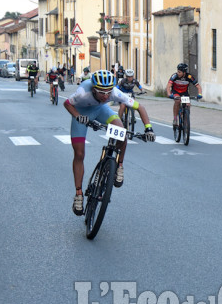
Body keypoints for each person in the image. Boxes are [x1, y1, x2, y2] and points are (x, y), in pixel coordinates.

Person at [64, 70, 156, 216]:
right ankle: (79, 195)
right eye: (101, 92)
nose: (106, 95)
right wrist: (78, 117)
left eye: (108, 92)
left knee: (122, 133)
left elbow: (140, 107)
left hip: (101, 110)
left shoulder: (114, 92)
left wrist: (148, 129)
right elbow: (67, 104)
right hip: (82, 113)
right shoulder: (82, 93)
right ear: (94, 89)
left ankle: (119, 165)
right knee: (79, 154)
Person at [166, 63, 202, 130]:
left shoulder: (189, 77)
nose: (178, 73)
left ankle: (185, 117)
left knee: (188, 105)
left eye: (179, 72)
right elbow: (168, 86)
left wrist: (200, 94)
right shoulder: (174, 76)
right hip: (176, 92)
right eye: (177, 71)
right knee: (177, 101)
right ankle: (175, 118)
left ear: (184, 72)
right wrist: (169, 94)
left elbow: (198, 87)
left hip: (184, 93)